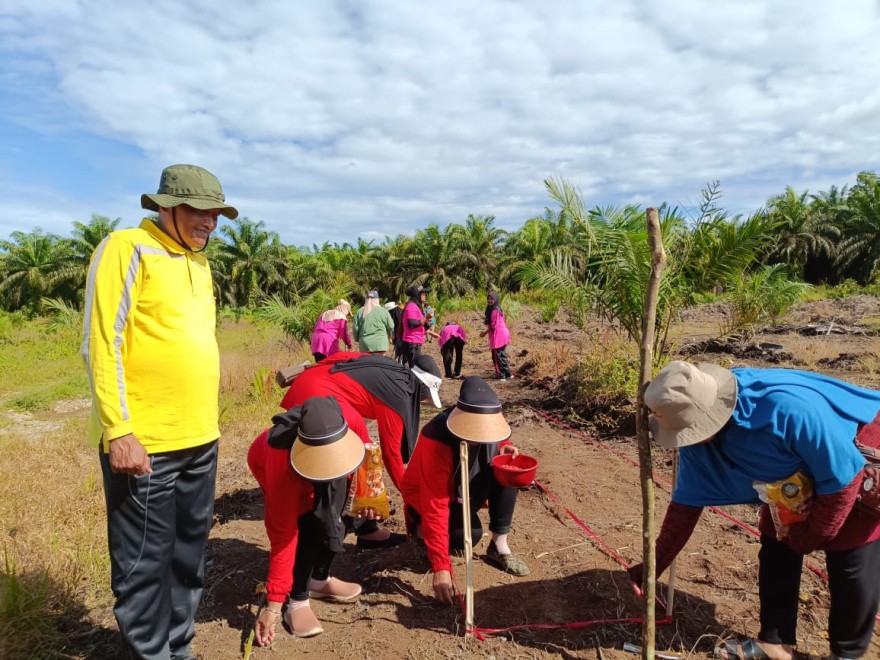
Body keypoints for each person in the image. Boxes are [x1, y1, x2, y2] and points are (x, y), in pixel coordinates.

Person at [82, 164, 237, 659]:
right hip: (145, 444)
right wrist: (119, 429)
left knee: (188, 558)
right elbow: (101, 342)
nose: (209, 223)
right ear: (167, 206)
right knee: (143, 565)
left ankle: (179, 648)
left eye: (215, 213)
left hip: (199, 438)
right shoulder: (128, 247)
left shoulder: (199, 262)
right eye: (199, 211)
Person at [628, 361, 880, 660]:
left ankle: (846, 653)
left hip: (858, 457)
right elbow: (685, 506)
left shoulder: (786, 410)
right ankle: (774, 644)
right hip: (794, 476)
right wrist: (651, 568)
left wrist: (812, 536)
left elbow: (843, 478)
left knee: (849, 555)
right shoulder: (695, 437)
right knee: (777, 539)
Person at [280, 352, 443, 547]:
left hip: (309, 382)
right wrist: (410, 494)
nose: (423, 402)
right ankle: (331, 531)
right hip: (319, 397)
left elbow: (340, 356)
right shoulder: (398, 393)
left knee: (362, 454)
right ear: (421, 388)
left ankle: (366, 529)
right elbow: (391, 454)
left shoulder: (390, 368)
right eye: (425, 398)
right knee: (357, 458)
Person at [401, 376, 530, 605]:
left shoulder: (491, 424)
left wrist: (502, 448)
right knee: (464, 537)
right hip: (430, 498)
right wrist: (441, 565)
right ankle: (420, 530)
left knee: (507, 471)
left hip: (465, 490)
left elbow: (495, 445)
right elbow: (435, 503)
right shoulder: (437, 438)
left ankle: (499, 546)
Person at [248, 395, 367, 644]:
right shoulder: (280, 464)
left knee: (338, 515)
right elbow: (283, 539)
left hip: (327, 453)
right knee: (308, 526)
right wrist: (273, 604)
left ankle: (319, 578)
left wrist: (365, 493)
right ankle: (297, 600)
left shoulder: (348, 418)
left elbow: (364, 451)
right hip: (284, 468)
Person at [480, 291, 513, 380]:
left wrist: (484, 333)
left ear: (495, 299)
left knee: (496, 356)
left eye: (492, 299)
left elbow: (493, 326)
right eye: (488, 299)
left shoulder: (494, 310)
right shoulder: (497, 308)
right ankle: (508, 373)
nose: (490, 301)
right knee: (502, 355)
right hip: (503, 333)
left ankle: (501, 375)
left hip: (498, 335)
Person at [352, 290, 394, 354]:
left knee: (367, 363)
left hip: (365, 345)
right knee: (380, 363)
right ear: (377, 299)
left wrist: (357, 339)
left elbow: (355, 328)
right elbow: (391, 326)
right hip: (381, 344)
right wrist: (390, 337)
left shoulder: (359, 312)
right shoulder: (383, 311)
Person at [400, 284, 432, 368]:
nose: (425, 296)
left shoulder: (416, 306)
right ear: (417, 295)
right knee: (413, 368)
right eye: (423, 294)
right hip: (411, 343)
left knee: (413, 368)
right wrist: (426, 317)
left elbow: (419, 323)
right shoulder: (411, 306)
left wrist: (429, 332)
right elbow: (412, 324)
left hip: (414, 342)